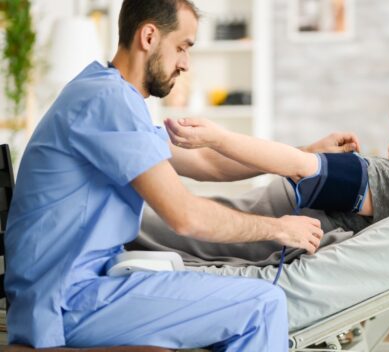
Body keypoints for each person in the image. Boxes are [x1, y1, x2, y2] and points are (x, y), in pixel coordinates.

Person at [4, 0, 359, 350]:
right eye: (182, 47)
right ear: (148, 36)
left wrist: (306, 154)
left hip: (77, 287)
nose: (186, 64)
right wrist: (279, 228)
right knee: (262, 305)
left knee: (242, 303)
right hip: (64, 300)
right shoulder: (108, 102)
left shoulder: (111, 95)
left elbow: (206, 164)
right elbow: (186, 217)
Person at [134, 76, 389, 266]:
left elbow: (300, 167)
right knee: (144, 219)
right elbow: (303, 163)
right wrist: (310, 150)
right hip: (254, 211)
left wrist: (218, 137)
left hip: (257, 233)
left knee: (141, 228)